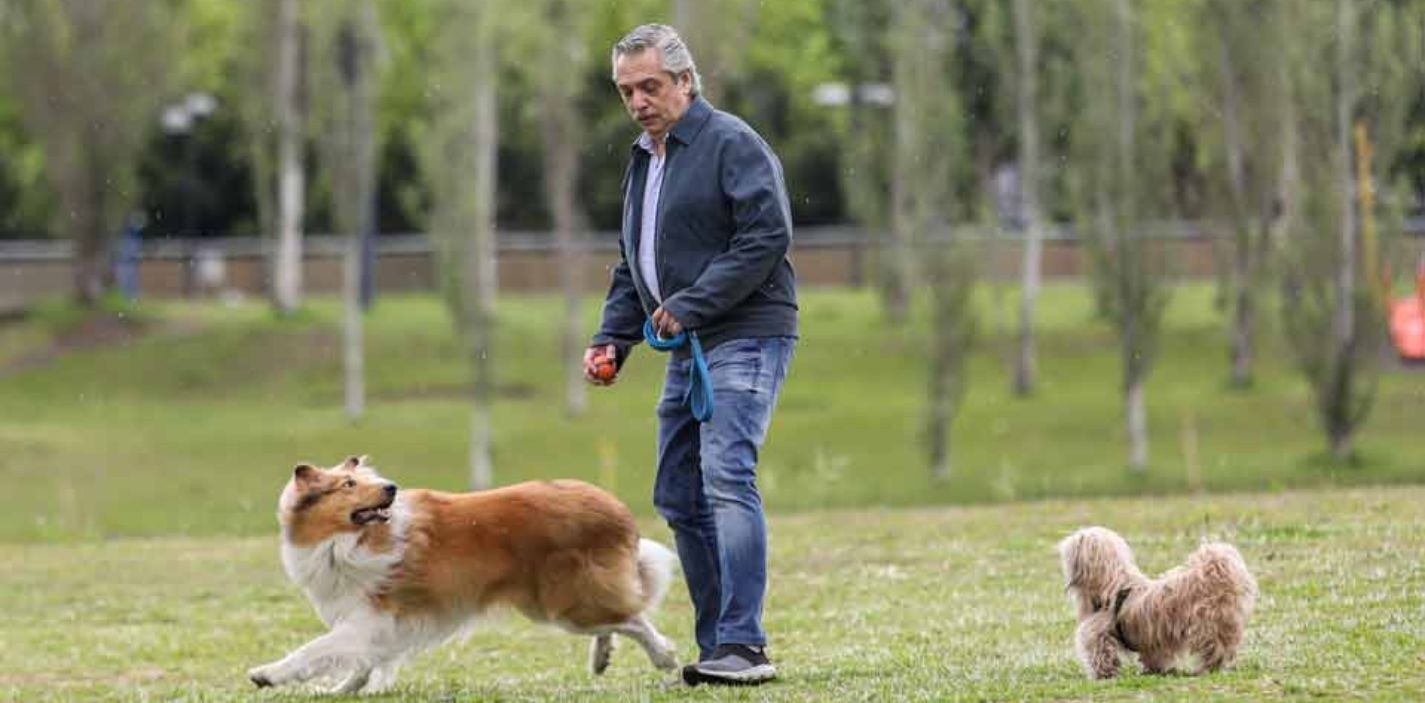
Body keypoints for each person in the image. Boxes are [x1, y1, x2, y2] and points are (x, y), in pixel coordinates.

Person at [584, 23, 798, 687]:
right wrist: (611, 338)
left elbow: (766, 235)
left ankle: (744, 644)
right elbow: (634, 263)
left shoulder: (730, 142)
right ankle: (717, 647)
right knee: (676, 492)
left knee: (726, 474)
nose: (639, 100)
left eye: (650, 85)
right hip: (691, 343)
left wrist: (694, 302)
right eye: (627, 90)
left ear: (685, 81)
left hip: (746, 331)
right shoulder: (644, 158)